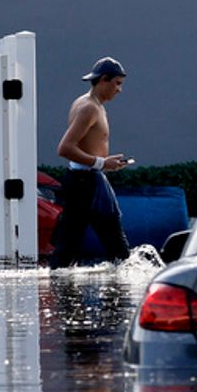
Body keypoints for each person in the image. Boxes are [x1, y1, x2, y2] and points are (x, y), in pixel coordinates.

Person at [49, 56, 133, 267]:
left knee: (70, 246)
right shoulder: (89, 108)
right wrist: (101, 163)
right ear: (104, 79)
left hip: (88, 179)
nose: (119, 90)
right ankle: (122, 290)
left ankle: (61, 288)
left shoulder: (90, 104)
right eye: (117, 84)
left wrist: (105, 163)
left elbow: (85, 147)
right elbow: (65, 148)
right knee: (116, 248)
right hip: (85, 181)